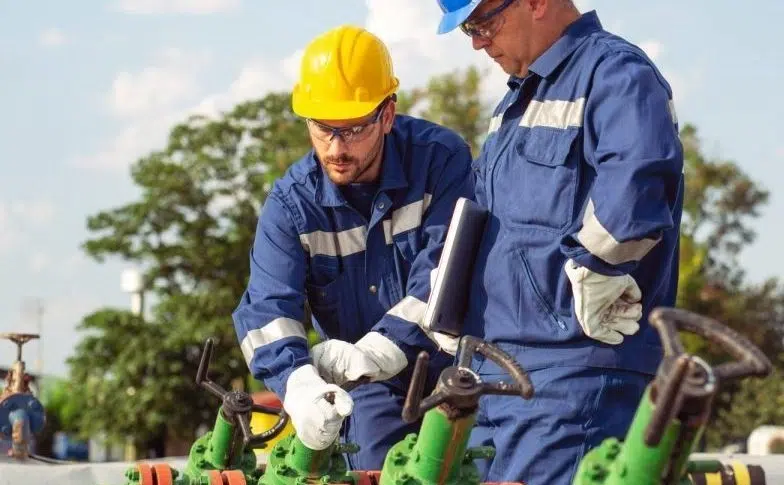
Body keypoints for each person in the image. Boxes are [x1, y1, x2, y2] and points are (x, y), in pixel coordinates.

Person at [435, 1, 684, 484]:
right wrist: (449, 300)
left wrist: (599, 266)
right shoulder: (514, 103)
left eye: (483, 22)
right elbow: (486, 221)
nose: (477, 41)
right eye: (468, 28)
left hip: (574, 376)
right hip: (493, 372)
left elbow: (639, 173)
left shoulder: (616, 73)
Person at [232, 24, 469, 471]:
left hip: (455, 362)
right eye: (323, 129)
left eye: (355, 129)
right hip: (368, 388)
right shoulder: (292, 207)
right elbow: (266, 312)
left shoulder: (441, 160)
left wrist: (380, 347)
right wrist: (299, 384)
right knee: (374, 469)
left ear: (387, 115)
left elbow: (447, 271)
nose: (337, 148)